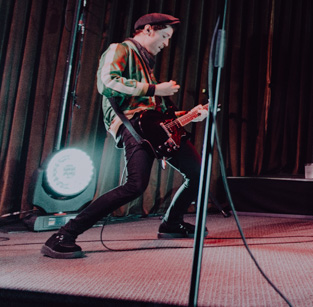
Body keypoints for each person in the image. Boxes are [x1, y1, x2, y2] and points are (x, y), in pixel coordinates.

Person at [41, 13, 207, 259]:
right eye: (164, 36)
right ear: (148, 30)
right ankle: (63, 235)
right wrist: (154, 88)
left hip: (152, 125)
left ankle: (171, 224)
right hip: (133, 125)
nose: (166, 43)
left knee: (197, 174)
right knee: (135, 185)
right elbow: (107, 82)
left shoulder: (146, 63)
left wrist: (190, 114)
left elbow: (156, 112)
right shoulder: (119, 49)